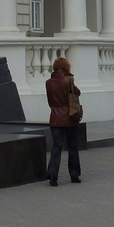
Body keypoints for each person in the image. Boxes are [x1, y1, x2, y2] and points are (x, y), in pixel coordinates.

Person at [45, 56, 81, 186]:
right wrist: (70, 76)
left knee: (57, 146)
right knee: (72, 146)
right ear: (66, 68)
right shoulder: (68, 80)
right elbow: (78, 92)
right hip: (70, 117)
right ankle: (74, 175)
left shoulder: (48, 82)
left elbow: (50, 101)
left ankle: (53, 175)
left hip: (55, 117)